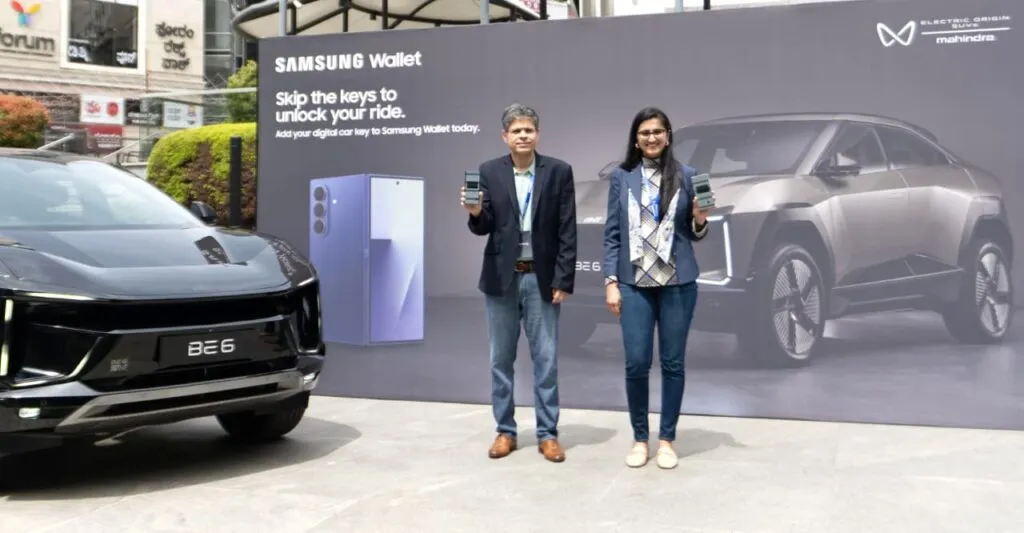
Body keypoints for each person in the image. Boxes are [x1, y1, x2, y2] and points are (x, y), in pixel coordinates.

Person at [461, 103, 578, 463]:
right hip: (502, 280)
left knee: (546, 360)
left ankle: (548, 434)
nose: (523, 135)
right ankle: (505, 432)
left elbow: (567, 230)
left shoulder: (558, 172)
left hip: (542, 280)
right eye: (516, 131)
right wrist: (476, 213)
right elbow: (485, 228)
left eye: (528, 130)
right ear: (505, 137)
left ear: (537, 135)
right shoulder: (489, 171)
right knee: (500, 359)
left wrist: (563, 279)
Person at [601, 106, 712, 469]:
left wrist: (699, 219)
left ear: (668, 136)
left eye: (658, 132)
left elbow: (696, 234)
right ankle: (639, 438)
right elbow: (612, 233)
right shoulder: (622, 177)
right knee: (635, 363)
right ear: (636, 138)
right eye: (645, 132)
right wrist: (611, 282)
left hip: (677, 283)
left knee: (673, 363)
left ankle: (666, 440)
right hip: (633, 283)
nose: (651, 138)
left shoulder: (688, 175)